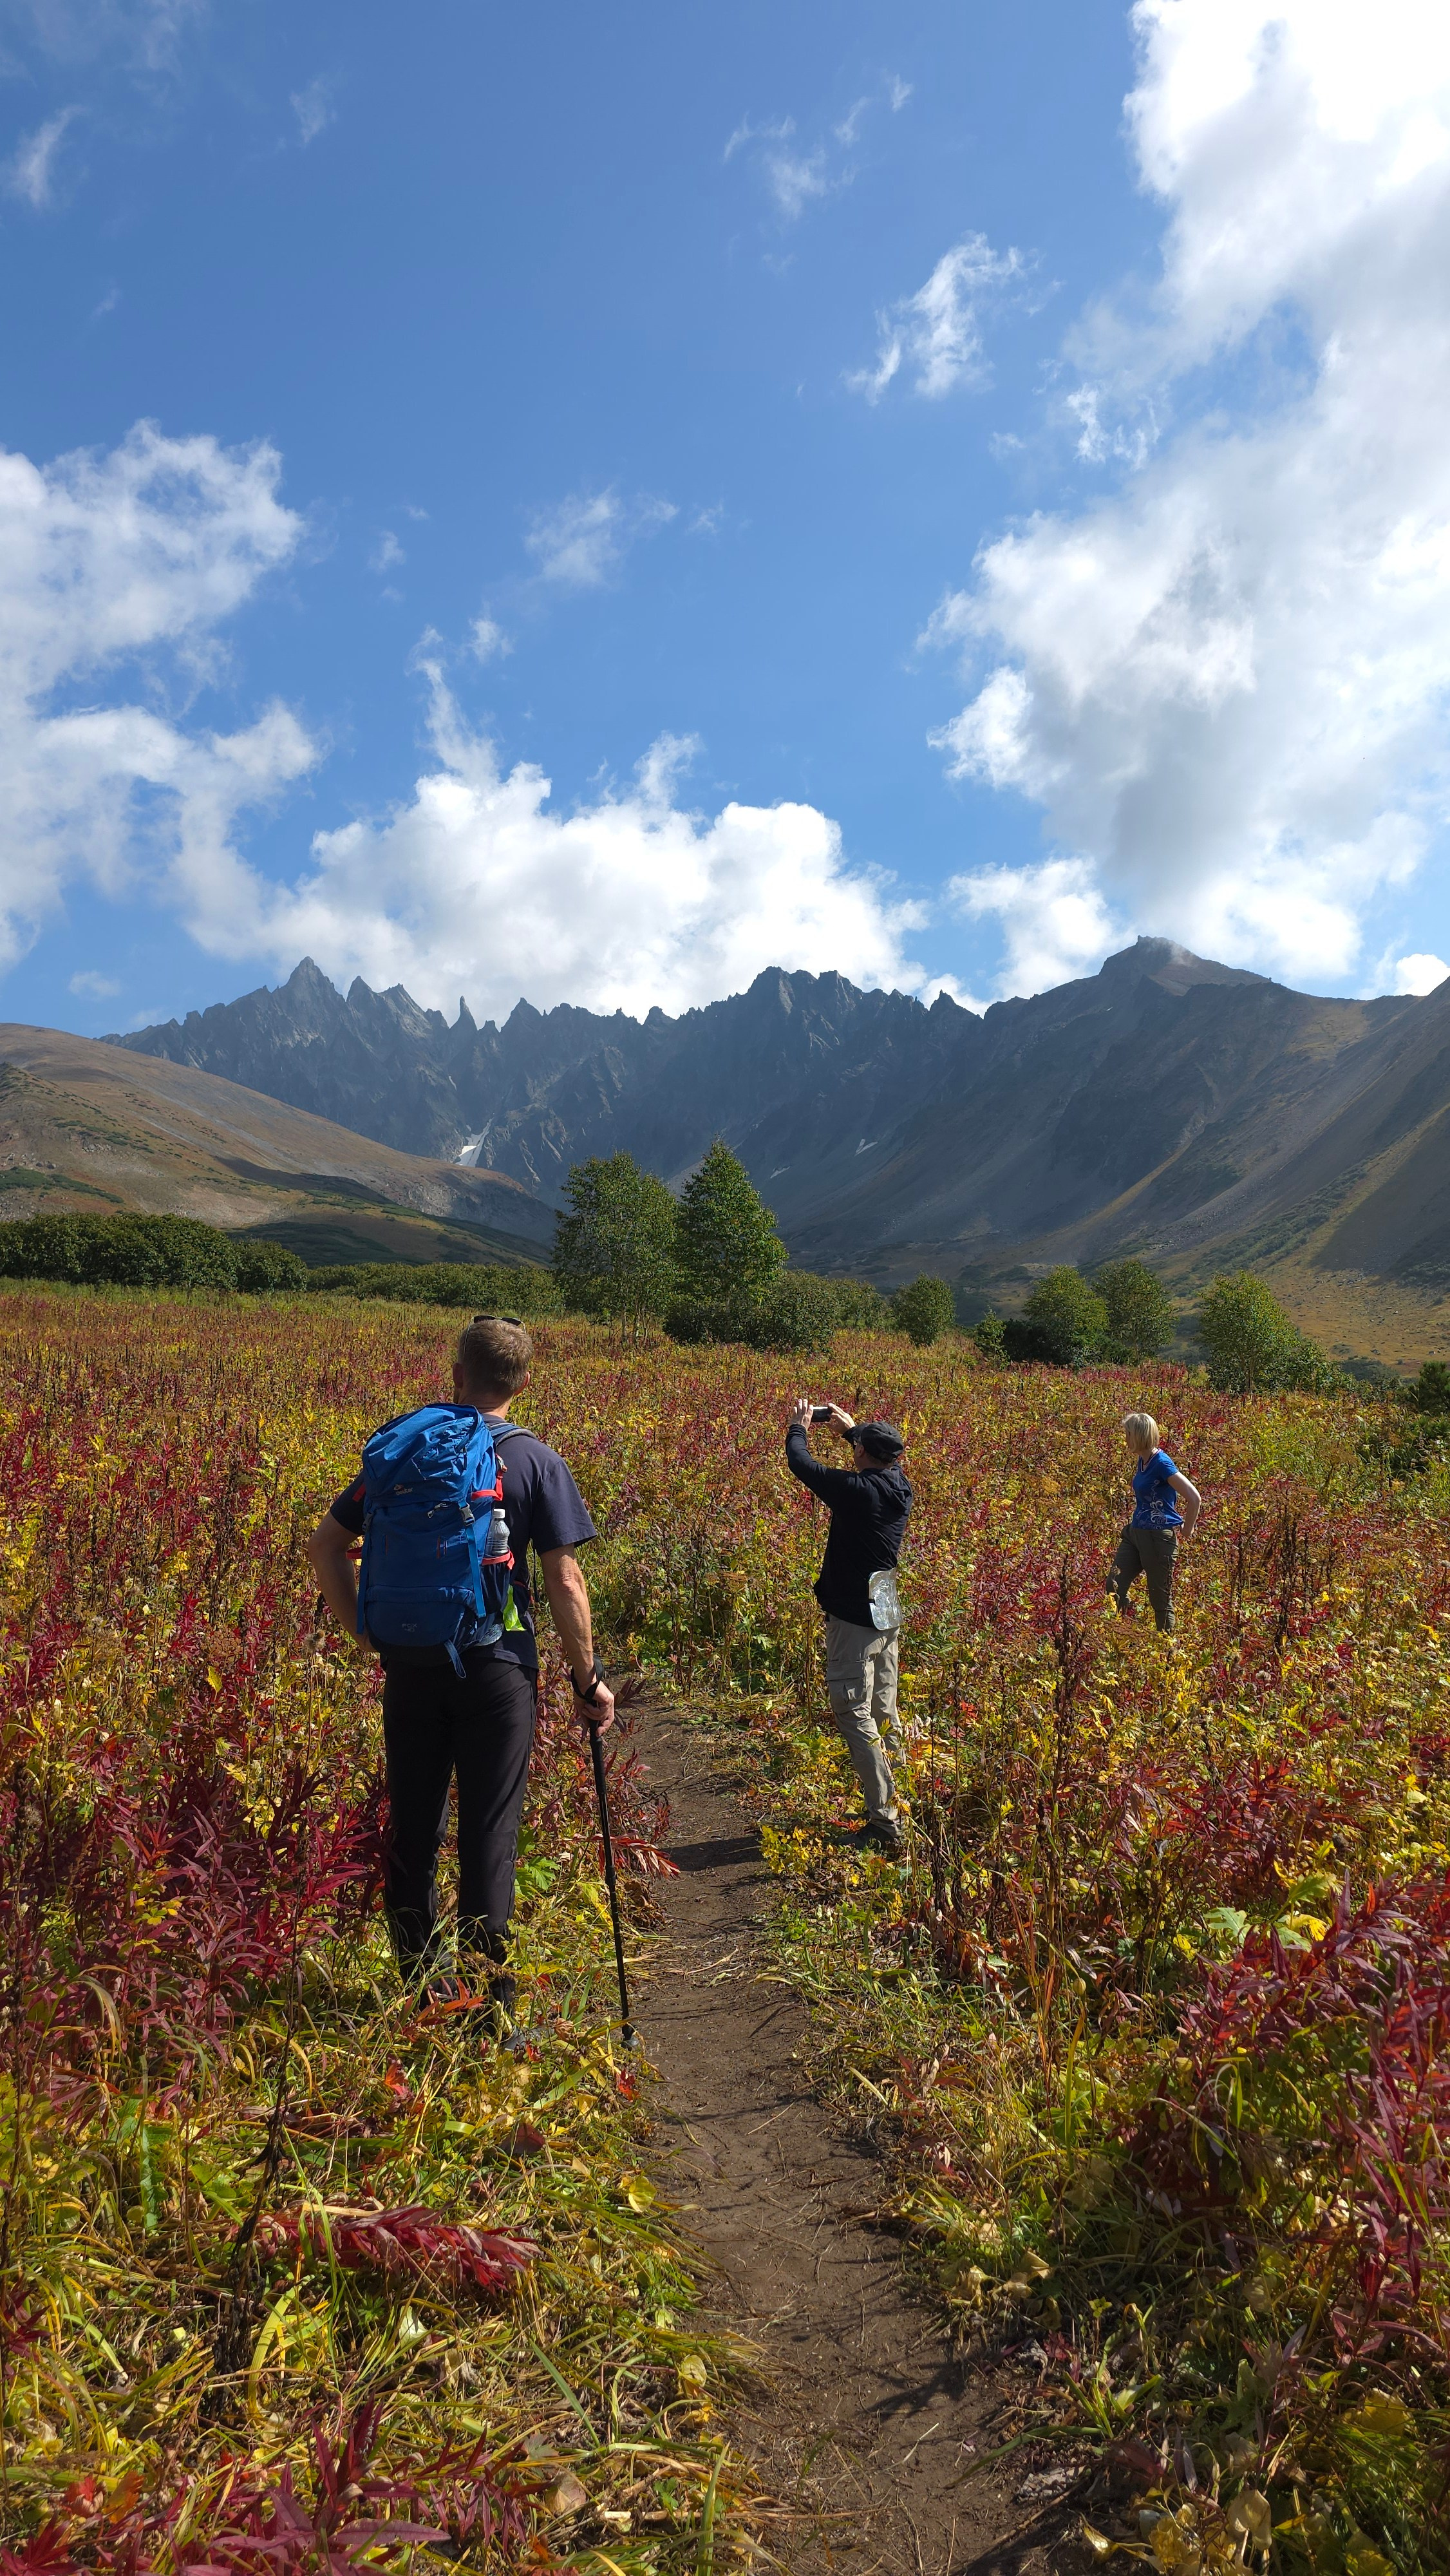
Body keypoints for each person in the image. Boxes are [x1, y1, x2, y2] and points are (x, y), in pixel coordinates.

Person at [306, 1313, 614, 2027]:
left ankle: (419, 1991)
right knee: (487, 1834)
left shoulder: (404, 1452)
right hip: (497, 1669)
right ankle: (487, 2014)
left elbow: (325, 1547)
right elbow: (565, 1582)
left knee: (412, 1827)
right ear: (524, 1383)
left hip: (409, 1663)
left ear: (455, 1375)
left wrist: (363, 1631)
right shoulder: (535, 1460)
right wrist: (585, 1677)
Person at [786, 1398, 912, 1855]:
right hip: (885, 1611)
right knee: (884, 1708)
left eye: (858, 1447)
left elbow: (801, 1464)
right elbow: (875, 1460)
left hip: (855, 1618)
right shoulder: (900, 1484)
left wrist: (798, 1426)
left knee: (853, 1710)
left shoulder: (859, 1492)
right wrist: (851, 1431)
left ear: (863, 1455)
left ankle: (885, 1821)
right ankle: (903, 1800)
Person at [1106, 1411, 1201, 1635]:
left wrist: (1188, 1529)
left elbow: (1194, 1496)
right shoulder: (1143, 1460)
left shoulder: (1162, 1463)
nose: (1125, 1438)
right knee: (1113, 1586)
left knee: (1160, 1600)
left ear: (1138, 1436)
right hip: (1135, 1534)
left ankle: (1166, 1650)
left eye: (1128, 1434)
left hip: (1159, 1539)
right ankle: (1124, 1630)